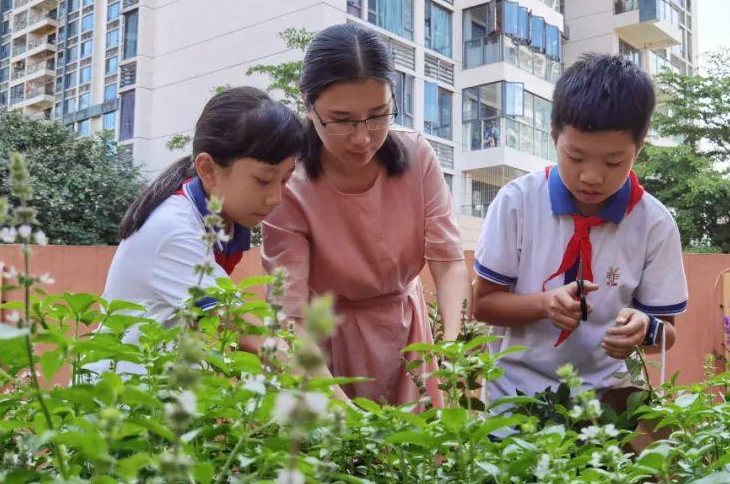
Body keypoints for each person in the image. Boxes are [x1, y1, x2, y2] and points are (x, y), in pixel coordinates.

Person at [471, 53, 688, 425]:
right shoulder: (517, 203)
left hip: (608, 406)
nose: (591, 176)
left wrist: (643, 329)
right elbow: (484, 305)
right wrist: (543, 305)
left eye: (613, 162)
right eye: (575, 156)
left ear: (639, 148)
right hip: (516, 402)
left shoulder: (654, 223)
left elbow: (665, 333)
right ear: (554, 135)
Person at [261, 23, 469, 406]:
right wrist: (341, 409)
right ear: (308, 105)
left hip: (408, 333)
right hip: (325, 347)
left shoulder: (417, 157)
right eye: (341, 120)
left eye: (378, 115)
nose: (363, 137)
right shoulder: (289, 185)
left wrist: (452, 346)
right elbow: (290, 315)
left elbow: (448, 260)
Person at [102, 86, 303, 351]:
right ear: (208, 170)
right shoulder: (175, 231)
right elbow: (254, 337)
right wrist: (333, 392)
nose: (276, 198)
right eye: (263, 180)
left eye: (286, 179)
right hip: (116, 387)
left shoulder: (220, 220)